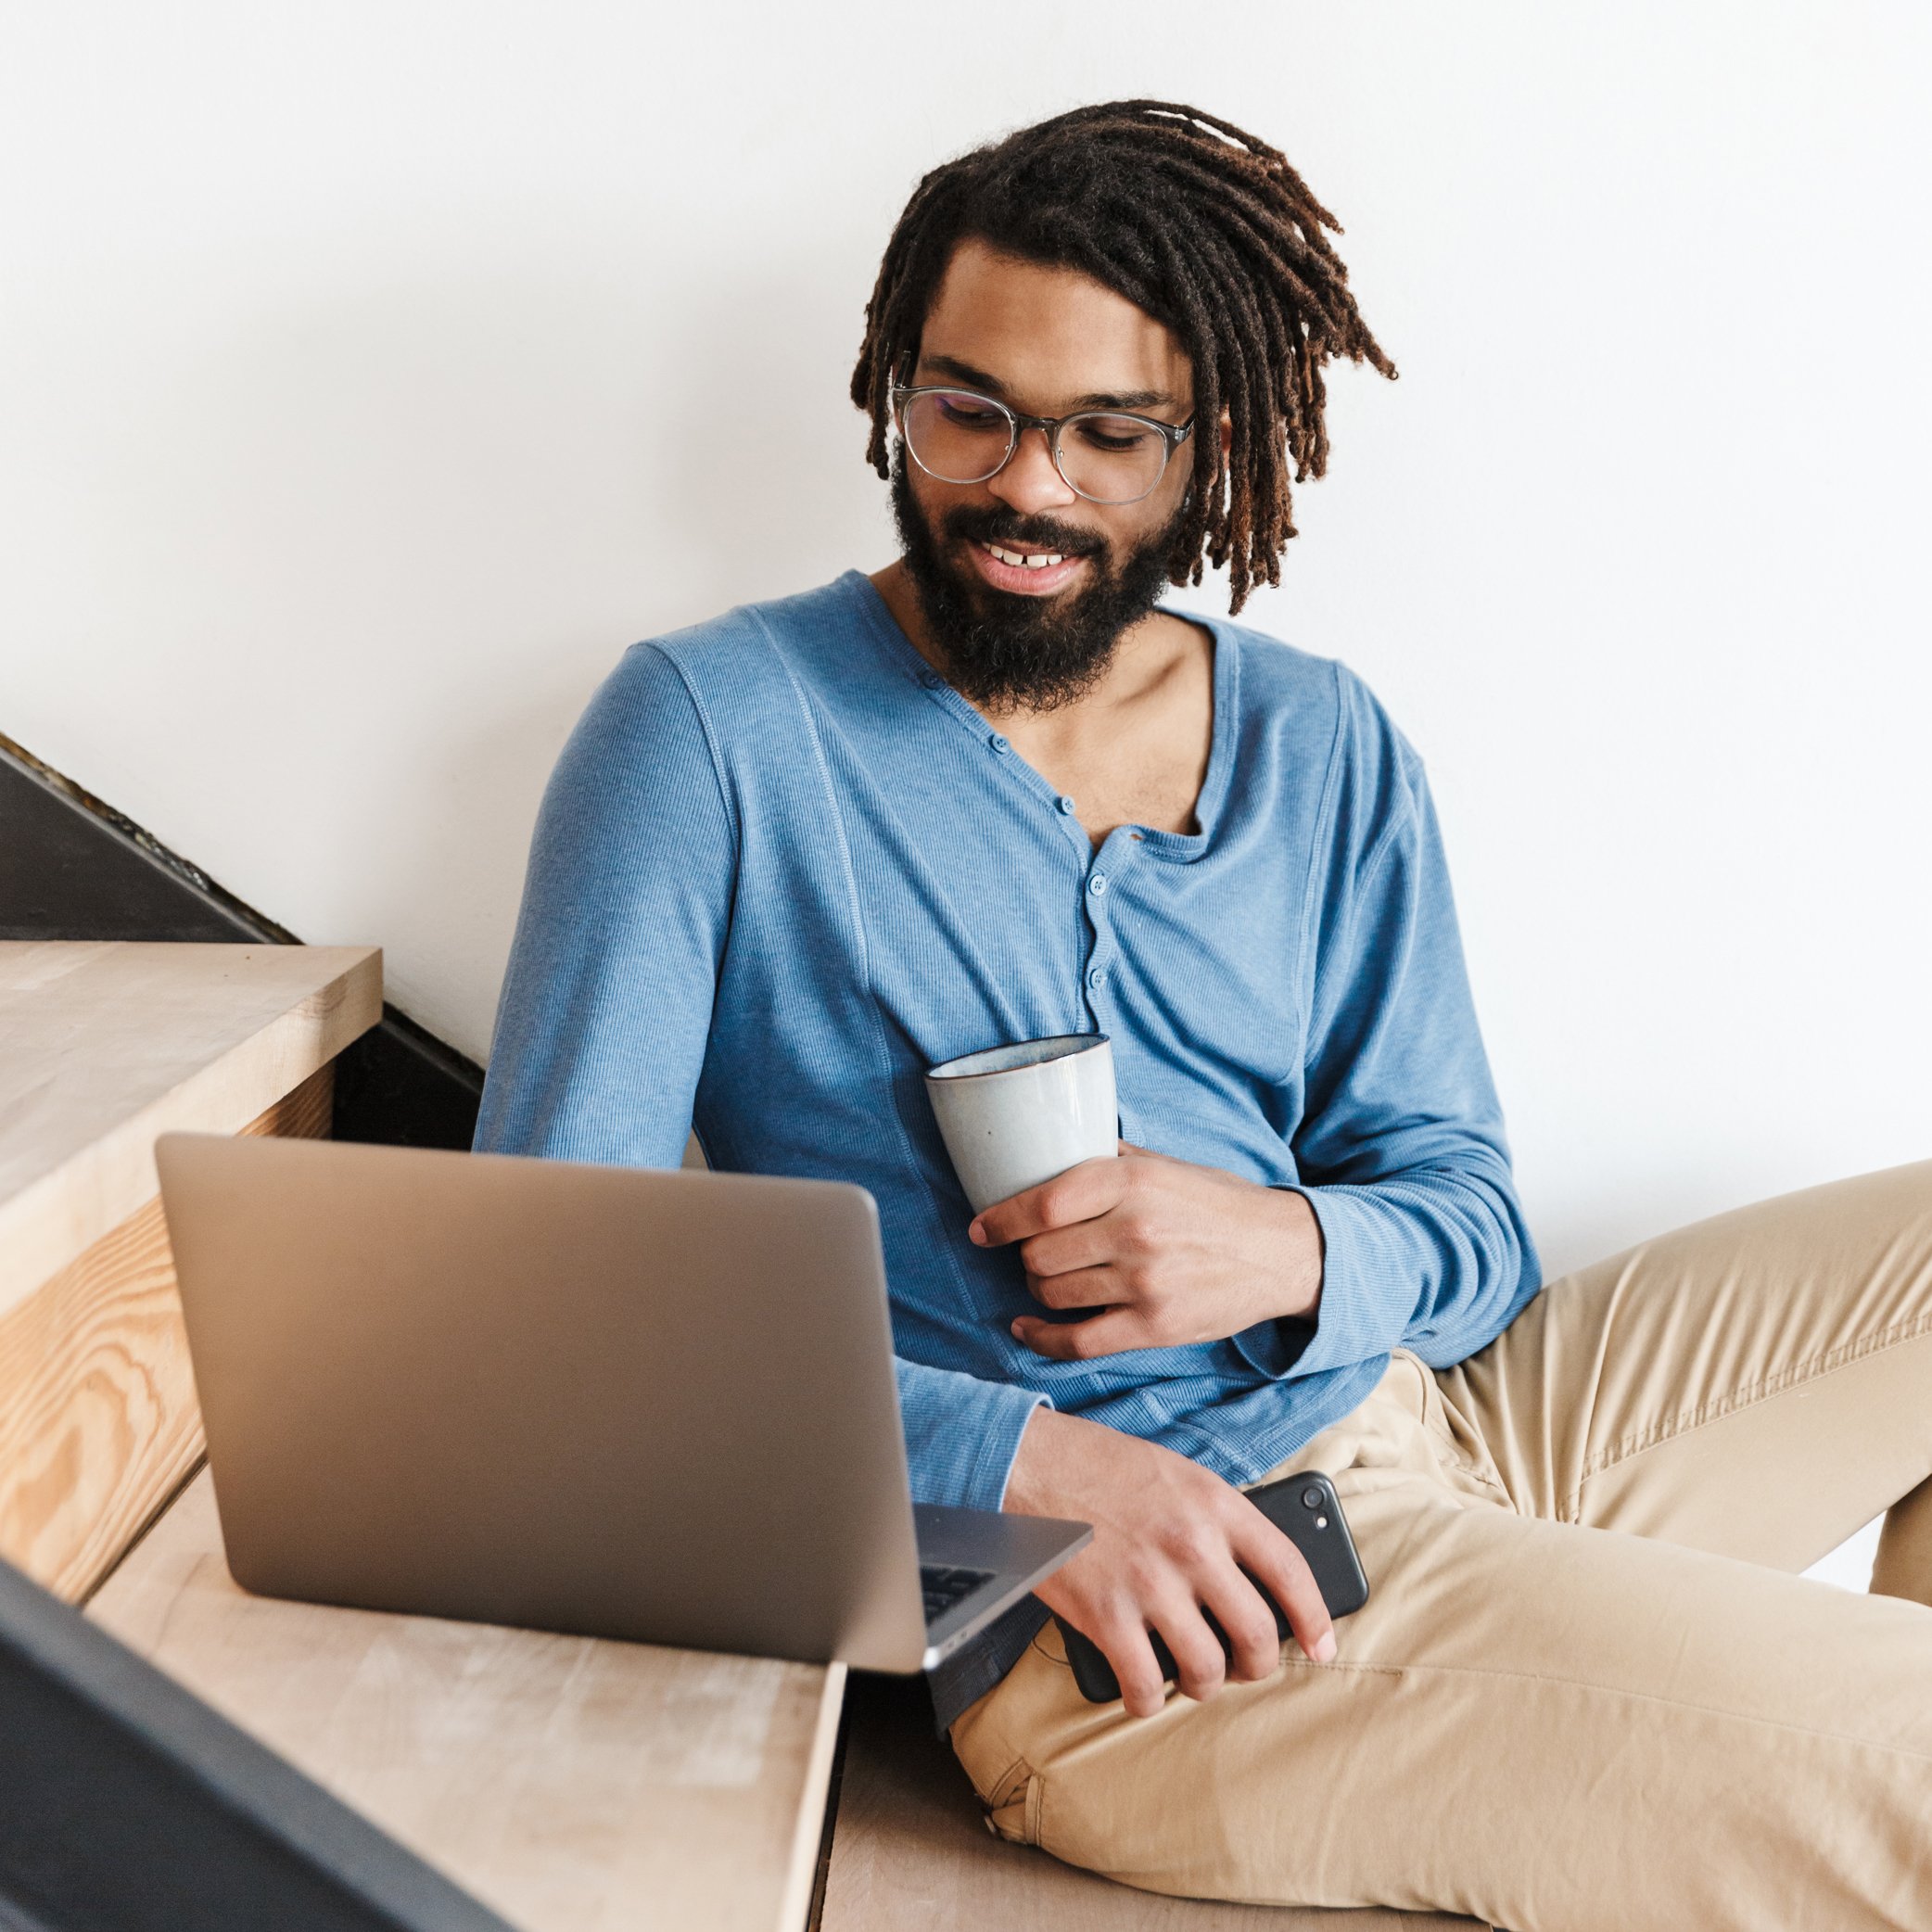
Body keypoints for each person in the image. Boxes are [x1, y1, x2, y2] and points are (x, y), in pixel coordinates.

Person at [472, 99, 1932, 1930]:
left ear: (1211, 440)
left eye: (1108, 433)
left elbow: (1468, 1218)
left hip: (1435, 1423)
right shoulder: (710, 733)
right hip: (1148, 1611)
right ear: (894, 394)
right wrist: (1023, 1463)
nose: (1025, 488)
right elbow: (545, 1303)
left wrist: (1284, 1246)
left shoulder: (1321, 739)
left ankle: (1733, 1761)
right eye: (967, 409)